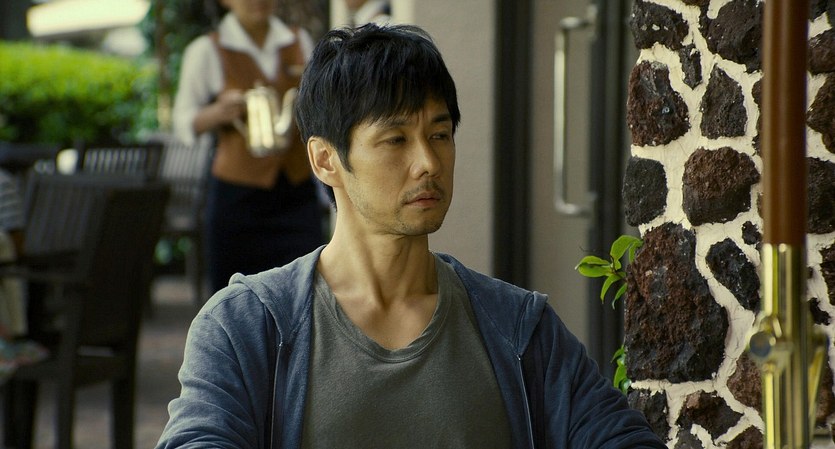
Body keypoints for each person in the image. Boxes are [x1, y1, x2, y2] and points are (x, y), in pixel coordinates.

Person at [156, 24, 666, 448]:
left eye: (439, 135)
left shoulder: (516, 327)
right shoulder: (247, 327)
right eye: (395, 139)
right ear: (325, 159)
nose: (428, 162)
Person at [172, 0, 325, 296]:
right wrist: (218, 112)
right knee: (234, 298)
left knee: (305, 290)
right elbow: (183, 122)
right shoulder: (206, 50)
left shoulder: (298, 41)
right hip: (236, 198)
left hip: (296, 193)